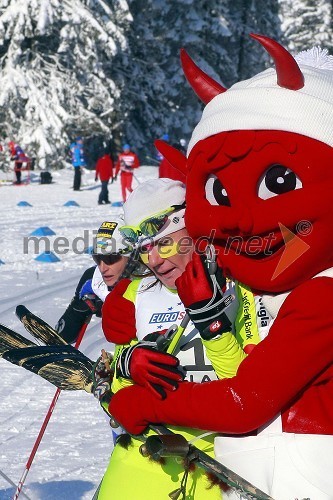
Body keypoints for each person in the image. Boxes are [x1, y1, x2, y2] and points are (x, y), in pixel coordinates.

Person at [108, 36, 333, 499]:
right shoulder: (274, 282)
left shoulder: (313, 290)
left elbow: (242, 394)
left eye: (277, 183)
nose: (241, 218)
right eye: (222, 196)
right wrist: (127, 353)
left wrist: (209, 322)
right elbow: (118, 359)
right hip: (228, 467)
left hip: (288, 470)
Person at [96, 178, 245, 499]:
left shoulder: (238, 288)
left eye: (163, 243)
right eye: (145, 249)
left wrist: (211, 324)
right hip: (137, 464)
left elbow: (248, 390)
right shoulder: (136, 293)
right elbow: (122, 399)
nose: (153, 261)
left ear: (190, 229)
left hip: (211, 472)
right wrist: (126, 363)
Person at [55, 218, 136, 344]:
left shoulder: (151, 277)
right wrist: (79, 309)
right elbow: (62, 338)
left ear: (131, 256)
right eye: (97, 258)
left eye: (111, 258)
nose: (103, 268)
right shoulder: (92, 278)